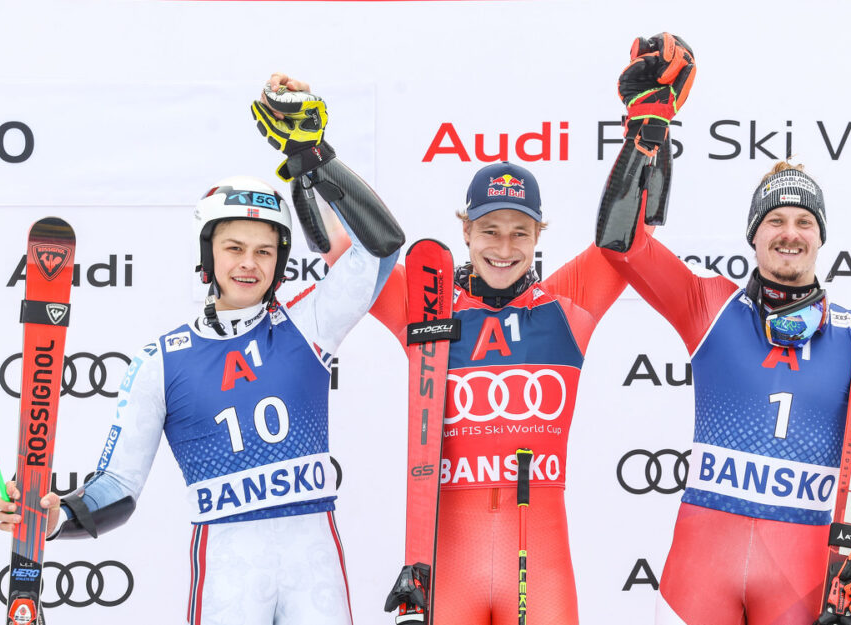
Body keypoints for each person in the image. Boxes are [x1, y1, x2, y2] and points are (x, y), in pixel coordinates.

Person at [0, 76, 405, 625]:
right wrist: (59, 516)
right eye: (233, 247)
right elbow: (117, 486)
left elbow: (379, 252)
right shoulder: (164, 359)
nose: (248, 264)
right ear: (207, 254)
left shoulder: (306, 324)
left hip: (314, 556)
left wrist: (313, 157)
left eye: (264, 251)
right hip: (229, 563)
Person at [249, 75, 635, 623]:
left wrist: (649, 130)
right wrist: (308, 157)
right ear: (466, 231)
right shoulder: (426, 299)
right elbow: (341, 247)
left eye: (519, 232)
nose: (504, 247)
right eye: (489, 230)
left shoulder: (568, 303)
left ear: (539, 234)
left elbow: (623, 237)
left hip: (540, 561)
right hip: (451, 562)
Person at [594, 35, 851, 625]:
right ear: (753, 235)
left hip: (803, 583)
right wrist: (646, 132)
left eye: (804, 221)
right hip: (696, 582)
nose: (790, 232)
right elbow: (622, 245)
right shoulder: (710, 306)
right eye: (776, 219)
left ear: (820, 237)